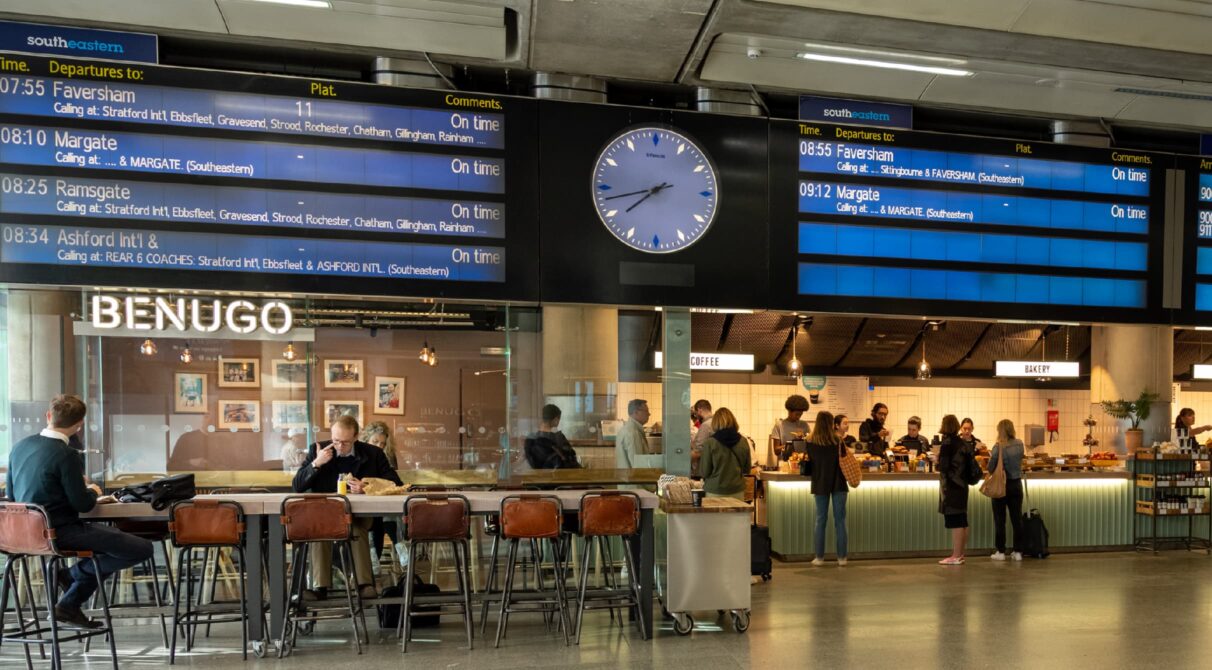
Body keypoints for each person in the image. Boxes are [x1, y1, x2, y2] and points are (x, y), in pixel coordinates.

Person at [6, 394, 153, 629]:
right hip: (60, 532)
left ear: (48, 416)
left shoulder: (19, 447)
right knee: (141, 548)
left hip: (23, 536)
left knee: (109, 550)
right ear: (79, 425)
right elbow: (83, 505)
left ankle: (70, 600)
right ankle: (73, 579)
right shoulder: (66, 455)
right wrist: (93, 490)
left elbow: (12, 497)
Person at [292, 415, 402, 599]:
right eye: (336, 441)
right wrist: (316, 464)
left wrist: (367, 486)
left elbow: (395, 483)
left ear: (356, 438)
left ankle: (364, 584)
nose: (339, 447)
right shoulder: (318, 450)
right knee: (320, 530)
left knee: (356, 527)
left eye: (345, 442)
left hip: (360, 515)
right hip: (325, 515)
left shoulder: (373, 454)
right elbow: (297, 486)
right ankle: (320, 587)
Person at [806, 411, 849, 566]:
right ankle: (842, 558)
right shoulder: (838, 441)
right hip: (839, 483)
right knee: (840, 521)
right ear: (831, 423)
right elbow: (845, 460)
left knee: (820, 520)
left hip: (820, 483)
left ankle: (819, 557)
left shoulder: (810, 441)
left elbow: (809, 461)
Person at [360, 421, 401, 564]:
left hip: (382, 507)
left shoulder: (388, 457)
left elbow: (395, 483)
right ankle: (400, 548)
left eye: (383, 444)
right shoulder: (360, 457)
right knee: (381, 520)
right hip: (364, 507)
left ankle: (376, 560)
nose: (379, 447)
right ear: (365, 441)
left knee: (388, 516)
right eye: (375, 442)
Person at [938, 414, 974, 565]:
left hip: (951, 487)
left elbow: (945, 467)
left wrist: (937, 459)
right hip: (962, 486)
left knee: (956, 522)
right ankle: (960, 554)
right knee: (962, 520)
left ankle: (956, 556)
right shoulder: (963, 443)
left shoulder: (947, 443)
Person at [988, 419, 1025, 561]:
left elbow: (991, 467)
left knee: (1000, 519)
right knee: (1017, 519)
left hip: (1001, 486)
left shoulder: (998, 447)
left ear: (1000, 431)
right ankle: (1018, 552)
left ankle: (1001, 551)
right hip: (1016, 484)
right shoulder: (1020, 444)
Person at [698, 408, 751, 500]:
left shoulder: (710, 443)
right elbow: (747, 469)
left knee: (716, 515)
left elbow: (704, 472)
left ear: (715, 423)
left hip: (714, 491)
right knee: (736, 515)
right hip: (737, 491)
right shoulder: (743, 441)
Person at [524, 404, 580, 469]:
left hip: (538, 477)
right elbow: (570, 459)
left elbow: (530, 460)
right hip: (556, 476)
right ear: (556, 419)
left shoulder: (531, 439)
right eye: (559, 419)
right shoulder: (558, 438)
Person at [616, 399, 660, 468]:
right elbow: (638, 466)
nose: (649, 414)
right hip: (633, 478)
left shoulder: (627, 429)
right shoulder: (633, 433)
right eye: (646, 411)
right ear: (636, 412)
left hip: (626, 477)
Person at [770, 395, 810, 462]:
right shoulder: (779, 425)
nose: (798, 417)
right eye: (796, 414)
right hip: (784, 464)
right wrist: (791, 445)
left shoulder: (804, 425)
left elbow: (810, 446)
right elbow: (776, 451)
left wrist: (803, 439)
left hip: (801, 464)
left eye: (800, 414)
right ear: (789, 411)